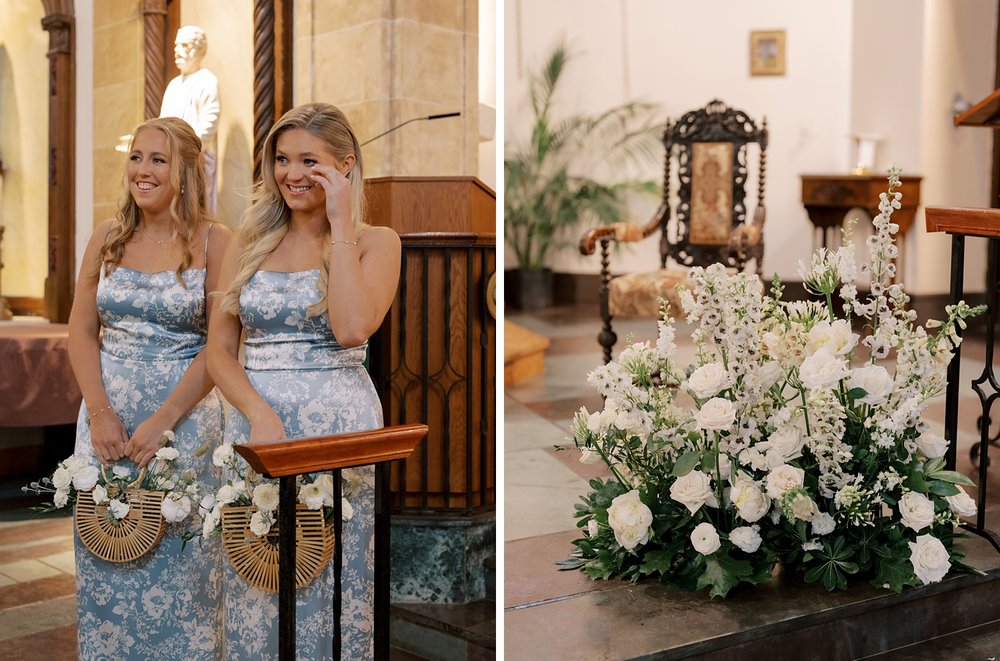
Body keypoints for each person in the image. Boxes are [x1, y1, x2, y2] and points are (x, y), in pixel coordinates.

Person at [207, 103, 400, 659]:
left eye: (309, 161)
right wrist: (258, 413)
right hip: (257, 431)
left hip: (340, 430)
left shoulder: (375, 242)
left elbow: (351, 328)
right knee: (259, 568)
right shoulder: (249, 242)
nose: (291, 174)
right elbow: (218, 353)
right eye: (282, 159)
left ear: (344, 166)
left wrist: (340, 224)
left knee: (333, 572)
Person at [67, 116, 232, 660]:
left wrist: (162, 421)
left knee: (184, 568)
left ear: (184, 171)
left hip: (182, 426)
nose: (143, 170)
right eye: (137, 157)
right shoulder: (106, 237)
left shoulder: (216, 242)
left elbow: (219, 347)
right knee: (107, 550)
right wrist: (98, 412)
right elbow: (81, 329)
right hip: (106, 422)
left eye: (157, 160)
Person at [160, 25, 220, 213]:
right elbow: (163, 121)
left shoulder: (207, 80)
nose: (177, 51)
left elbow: (211, 116)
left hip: (196, 155)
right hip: (172, 155)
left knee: (197, 201)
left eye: (184, 46)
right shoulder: (174, 85)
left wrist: (190, 148)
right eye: (176, 46)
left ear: (199, 50)